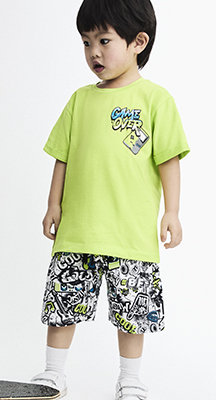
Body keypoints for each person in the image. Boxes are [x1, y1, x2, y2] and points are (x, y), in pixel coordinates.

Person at [30, 1, 190, 399]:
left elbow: (168, 159)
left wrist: (172, 211)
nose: (93, 52)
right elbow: (62, 157)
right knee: (63, 304)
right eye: (86, 42)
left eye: (104, 41)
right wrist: (53, 205)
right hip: (78, 230)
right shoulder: (80, 100)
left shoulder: (156, 99)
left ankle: (130, 379)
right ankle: (53, 373)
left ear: (138, 42)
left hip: (130, 233)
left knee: (132, 313)